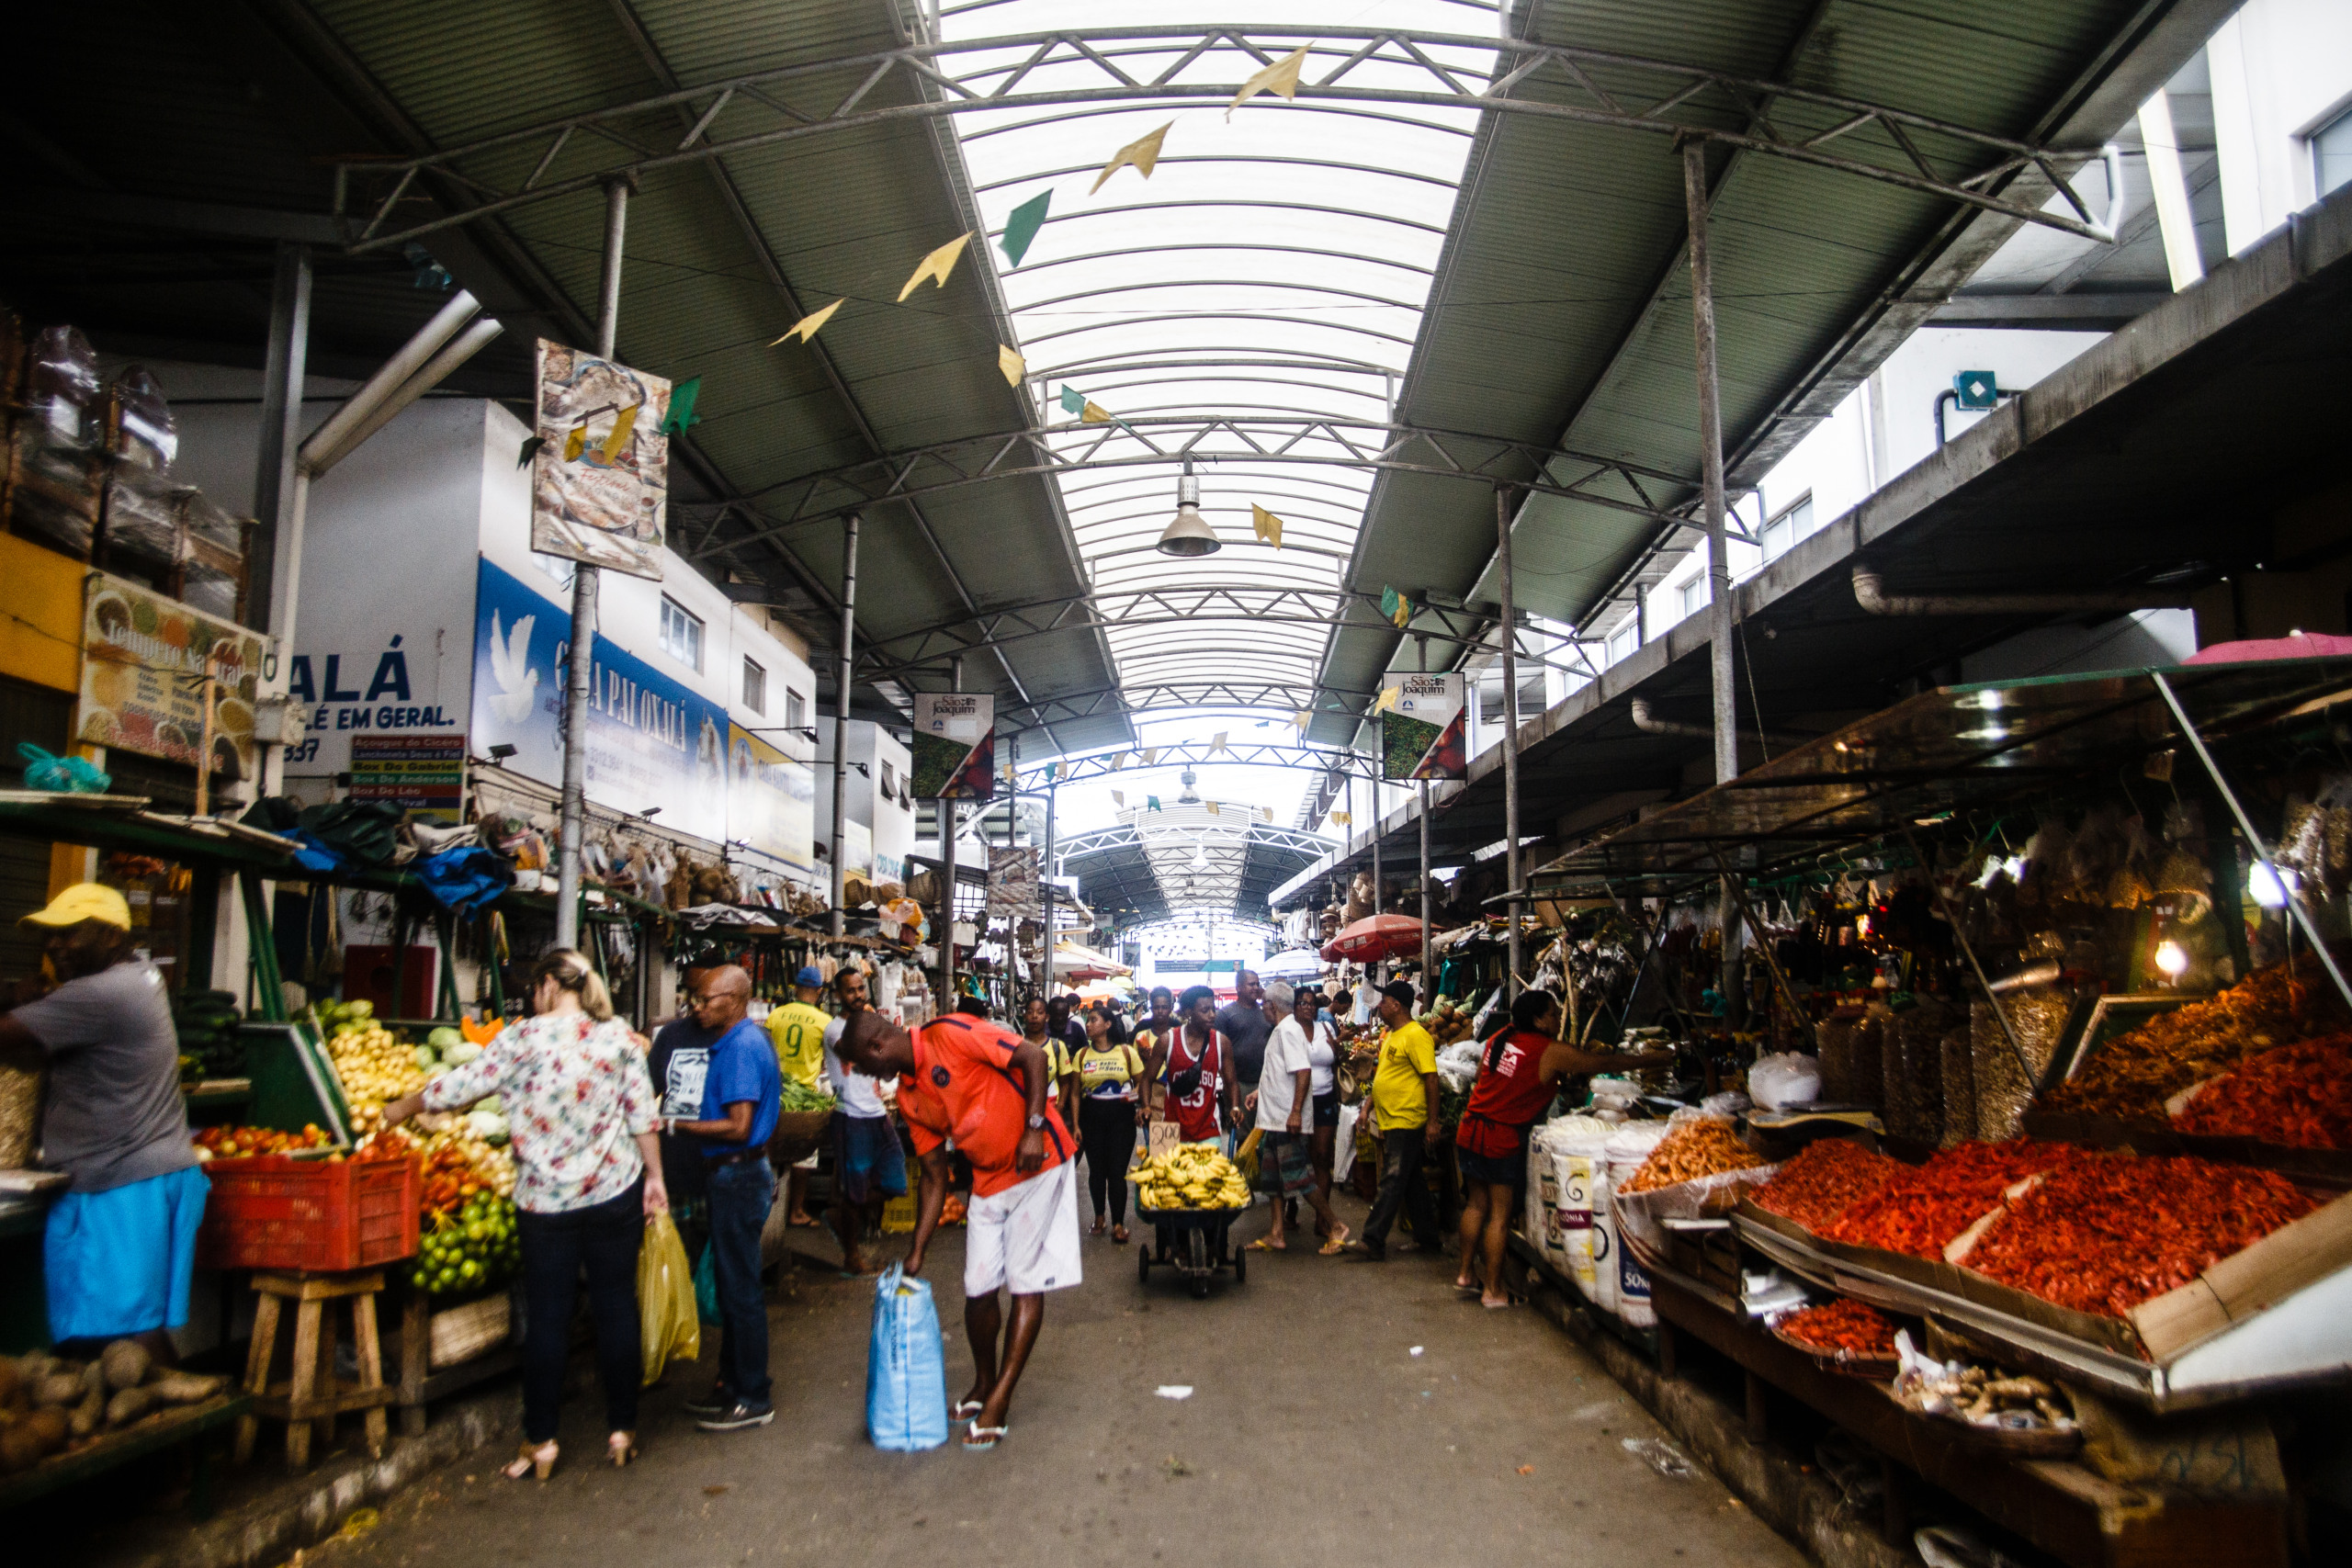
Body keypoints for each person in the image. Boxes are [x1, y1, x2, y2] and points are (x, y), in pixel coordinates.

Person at [383, 949, 666, 1476]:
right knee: (615, 1308)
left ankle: (542, 1442)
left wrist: (401, 1107)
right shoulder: (618, 1038)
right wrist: (656, 1180)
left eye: (533, 988)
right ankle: (622, 1430)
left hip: (544, 1202)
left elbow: (457, 1087)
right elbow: (642, 1117)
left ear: (547, 987)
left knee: (548, 1318)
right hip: (613, 1193)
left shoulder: (521, 1039)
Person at [835, 1005, 1080, 1449]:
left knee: (1025, 1282)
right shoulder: (908, 1098)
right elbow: (932, 1174)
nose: (866, 1074)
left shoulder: (950, 1033)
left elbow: (1034, 1058)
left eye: (865, 1064)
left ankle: (999, 1401)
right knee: (978, 1287)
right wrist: (917, 1251)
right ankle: (984, 1381)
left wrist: (1033, 1129)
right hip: (986, 1180)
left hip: (1039, 1165)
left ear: (878, 1045)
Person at [0, 886, 207, 1363]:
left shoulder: (100, 993)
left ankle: (182, 1434)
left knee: (131, 1335)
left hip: (121, 1183)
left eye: (69, 934)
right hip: (134, 1176)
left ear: (113, 936)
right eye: (51, 936)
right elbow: (44, 1043)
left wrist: (12, 997)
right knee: (101, 1332)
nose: (54, 946)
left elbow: (10, 1039)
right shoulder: (141, 974)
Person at [1453, 990, 1676, 1306]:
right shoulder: (1548, 1050)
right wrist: (1653, 1059)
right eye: (1554, 1015)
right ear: (1538, 1020)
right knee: (1500, 1216)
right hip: (1499, 1137)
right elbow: (1600, 1063)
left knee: (1476, 1205)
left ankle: (1465, 1274)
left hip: (1471, 1128)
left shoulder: (1500, 1038)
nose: (1559, 1020)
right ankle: (1493, 1290)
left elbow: (1481, 1077)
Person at [660, 964, 782, 1432]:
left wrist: (674, 1124)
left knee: (742, 1289)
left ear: (734, 1000)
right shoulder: (735, 1043)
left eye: (707, 999)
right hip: (734, 1176)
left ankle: (753, 1395)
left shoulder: (740, 1049)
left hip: (737, 1175)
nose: (698, 1006)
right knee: (734, 1286)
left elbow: (739, 1126)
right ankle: (731, 1387)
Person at [1246, 981, 1347, 1255]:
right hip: (1273, 1118)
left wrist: (1294, 1112)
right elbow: (1282, 1072)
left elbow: (1303, 1071)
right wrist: (1260, 1092)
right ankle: (1277, 1232)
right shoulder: (1284, 1029)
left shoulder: (1288, 1030)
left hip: (1285, 1118)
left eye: (1265, 1005)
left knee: (1298, 1177)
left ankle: (1336, 1224)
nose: (1263, 1009)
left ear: (1272, 1006)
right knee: (1273, 1178)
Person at [1346, 980, 1440, 1262]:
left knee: (1392, 1179)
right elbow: (1382, 1078)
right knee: (1412, 1183)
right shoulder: (1392, 1035)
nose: (1379, 1006)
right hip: (1391, 1119)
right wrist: (1366, 1108)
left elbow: (1431, 1077)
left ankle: (1372, 1240)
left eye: (1383, 1002)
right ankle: (1429, 1240)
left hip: (1407, 1119)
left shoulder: (1416, 1035)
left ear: (1396, 1005)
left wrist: (1433, 1121)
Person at [820, 965, 902, 1278]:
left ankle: (838, 1214)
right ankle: (852, 1258)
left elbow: (887, 1051)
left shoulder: (867, 1022)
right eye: (850, 990)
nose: (857, 995)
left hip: (878, 1113)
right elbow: (866, 1054)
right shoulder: (834, 1029)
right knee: (855, 1193)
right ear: (838, 995)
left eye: (860, 989)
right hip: (850, 1116)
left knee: (894, 1183)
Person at [645, 964, 719, 1275]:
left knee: (712, 1263)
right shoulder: (671, 1035)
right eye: (690, 993)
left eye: (703, 995)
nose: (694, 1003)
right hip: (672, 1168)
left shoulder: (738, 1038)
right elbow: (646, 1093)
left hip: (716, 1171)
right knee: (671, 1261)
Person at [1073, 1002, 1146, 1242]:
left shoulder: (1126, 1052)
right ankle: (1099, 1216)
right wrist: (1075, 1125)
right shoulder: (1082, 1055)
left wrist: (1136, 1103)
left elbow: (1140, 1082)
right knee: (1097, 1171)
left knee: (1117, 1172)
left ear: (1107, 1025)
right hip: (1091, 1117)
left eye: (1093, 1019)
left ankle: (1117, 1223)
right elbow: (1075, 1093)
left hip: (1121, 1118)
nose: (1088, 1024)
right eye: (1088, 1020)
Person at [768, 966, 832, 1227]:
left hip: (776, 1095)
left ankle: (772, 1211)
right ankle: (796, 1210)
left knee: (772, 1153)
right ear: (819, 992)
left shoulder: (776, 1015)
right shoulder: (823, 1021)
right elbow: (829, 1061)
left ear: (794, 988)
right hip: (805, 1099)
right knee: (804, 1157)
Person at [1160, 984, 1233, 1145]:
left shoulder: (1222, 1042)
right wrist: (1145, 1106)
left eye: (1213, 1009)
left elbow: (1231, 1082)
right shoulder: (1168, 1040)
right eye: (1205, 1010)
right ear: (1188, 1012)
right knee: (1163, 1170)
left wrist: (1234, 1108)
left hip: (1208, 1128)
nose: (1212, 1015)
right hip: (1169, 1128)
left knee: (1209, 1170)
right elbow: (1146, 1079)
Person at [1298, 987, 1344, 1237]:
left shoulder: (1325, 1029)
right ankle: (1289, 1210)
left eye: (1311, 1003)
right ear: (1294, 1007)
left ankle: (1321, 1220)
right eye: (1302, 1003)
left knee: (1322, 1158)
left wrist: (1338, 1049)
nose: (1308, 1007)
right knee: (1295, 1159)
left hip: (1324, 1098)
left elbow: (1336, 1057)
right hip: (1297, 1102)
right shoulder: (1289, 1032)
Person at [1216, 969, 1272, 1122]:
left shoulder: (1266, 1013)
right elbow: (1218, 1051)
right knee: (1242, 1133)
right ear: (1238, 987)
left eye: (1257, 984)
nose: (1255, 987)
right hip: (1239, 1084)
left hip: (1265, 1082)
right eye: (1251, 984)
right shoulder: (1225, 1014)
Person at [1020, 995, 1080, 1131]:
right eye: (1030, 1012)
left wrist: (1060, 1106)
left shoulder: (1057, 1046)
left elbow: (1065, 1082)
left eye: (1040, 1012)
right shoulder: (1017, 1045)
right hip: (1022, 1109)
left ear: (1047, 1017)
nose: (1034, 1016)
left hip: (1051, 1109)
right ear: (1024, 1016)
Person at [1132, 986, 1178, 1122]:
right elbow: (1135, 1071)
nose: (1160, 1011)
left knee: (1184, 1142)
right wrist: (1144, 1060)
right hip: (1152, 1096)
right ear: (1151, 1008)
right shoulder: (1141, 1036)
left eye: (1164, 1007)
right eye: (1156, 1007)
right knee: (1162, 1141)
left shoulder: (1179, 1035)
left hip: (1176, 1094)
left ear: (1170, 1008)